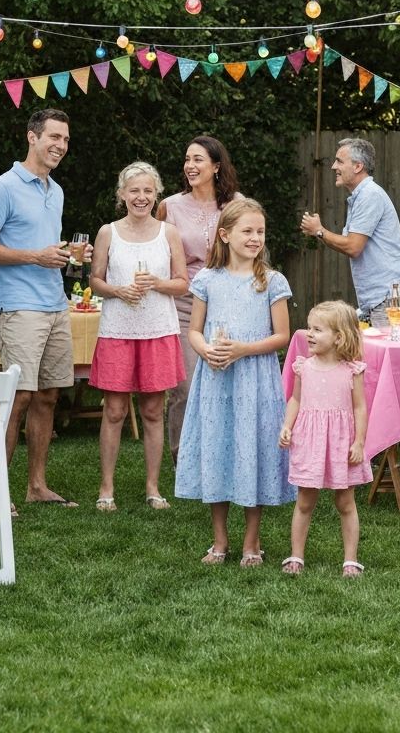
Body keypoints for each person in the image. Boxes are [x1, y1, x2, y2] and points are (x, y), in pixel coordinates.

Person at [174, 198, 294, 567]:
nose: (255, 238)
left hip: (255, 381)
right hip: (216, 380)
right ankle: (220, 541)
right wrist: (205, 350)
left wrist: (243, 349)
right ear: (225, 235)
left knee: (252, 451)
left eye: (260, 231)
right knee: (218, 451)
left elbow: (282, 336)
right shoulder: (207, 280)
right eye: (247, 231)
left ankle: (252, 542)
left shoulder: (271, 281)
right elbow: (194, 331)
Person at [299, 136, 400, 471]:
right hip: (376, 300)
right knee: (380, 376)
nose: (334, 167)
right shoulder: (359, 198)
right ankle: (385, 444)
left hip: (392, 300)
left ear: (358, 165)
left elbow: (354, 246)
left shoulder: (369, 196)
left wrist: (320, 231)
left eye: (339, 161)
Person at [0, 108, 82, 508]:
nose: (61, 145)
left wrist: (69, 254)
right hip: (18, 306)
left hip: (55, 303)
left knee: (48, 396)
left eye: (66, 139)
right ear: (32, 137)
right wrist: (34, 257)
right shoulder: (2, 188)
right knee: (18, 398)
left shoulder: (55, 190)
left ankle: (36, 486)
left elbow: (44, 246)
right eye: (54, 137)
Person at [88, 162, 188, 511]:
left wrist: (157, 284)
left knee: (152, 411)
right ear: (122, 195)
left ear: (156, 194)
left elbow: (182, 283)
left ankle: (153, 487)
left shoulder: (168, 233)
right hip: (117, 330)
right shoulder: (108, 232)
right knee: (115, 411)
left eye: (147, 191)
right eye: (134, 191)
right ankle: (106, 488)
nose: (141, 197)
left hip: (158, 329)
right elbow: (95, 281)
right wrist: (118, 291)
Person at [157, 136, 241, 464]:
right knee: (186, 387)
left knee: (225, 383)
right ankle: (183, 458)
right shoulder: (170, 206)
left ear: (216, 166)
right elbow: (158, 256)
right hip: (183, 305)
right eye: (187, 160)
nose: (190, 166)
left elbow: (251, 249)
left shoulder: (236, 204)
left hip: (226, 305)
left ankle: (223, 456)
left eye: (198, 160)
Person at [279, 300, 369, 577]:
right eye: (309, 328)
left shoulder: (352, 371)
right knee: (305, 501)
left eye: (317, 330)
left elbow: (359, 408)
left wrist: (359, 441)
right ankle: (296, 556)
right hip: (310, 442)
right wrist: (287, 426)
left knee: (345, 502)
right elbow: (295, 400)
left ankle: (350, 560)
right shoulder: (303, 367)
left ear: (338, 337)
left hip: (342, 444)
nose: (309, 334)